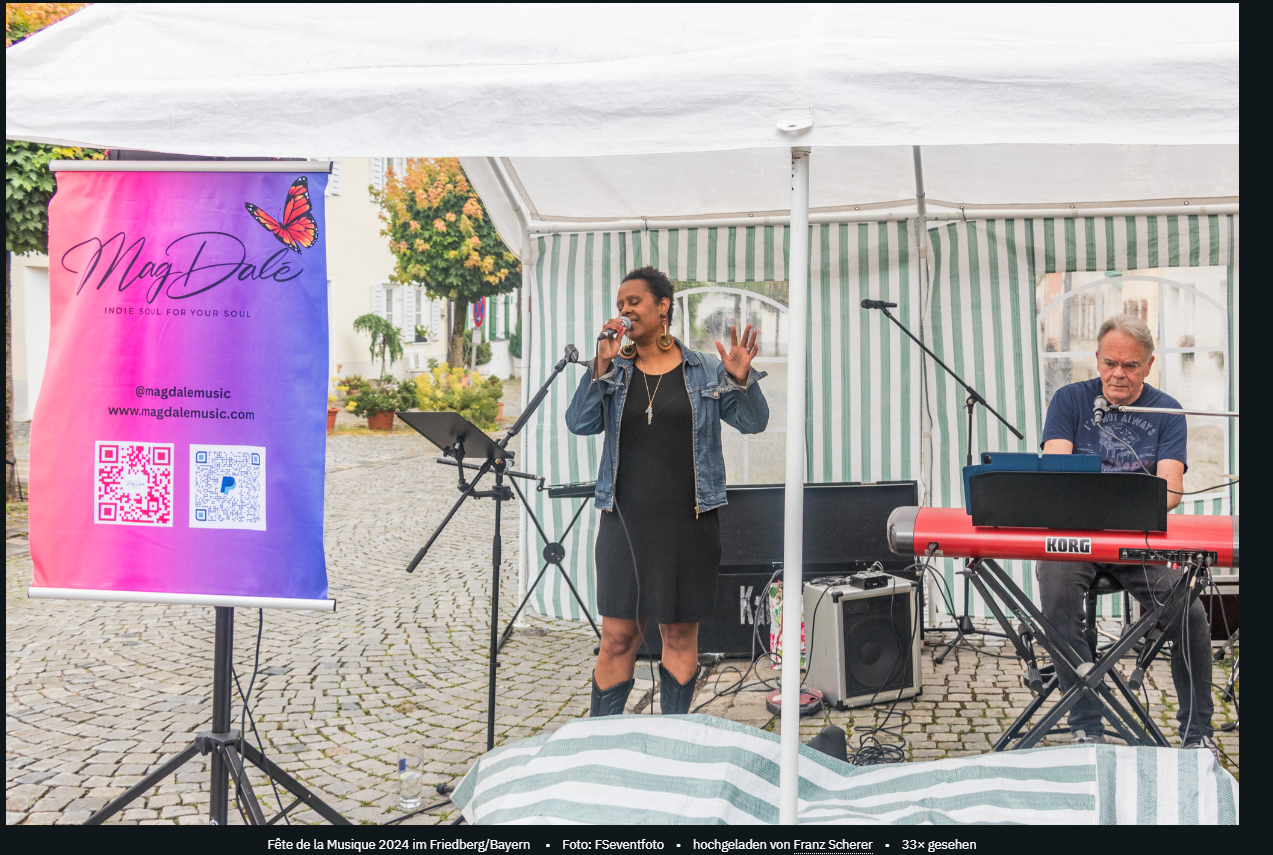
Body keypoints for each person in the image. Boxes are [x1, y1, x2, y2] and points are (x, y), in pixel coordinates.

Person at [566, 266, 769, 716]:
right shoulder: (615, 371)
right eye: (620, 304)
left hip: (688, 523)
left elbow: (754, 422)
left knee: (677, 636)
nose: (624, 310)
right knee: (617, 636)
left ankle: (672, 739)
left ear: (663, 307)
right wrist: (599, 366)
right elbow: (579, 423)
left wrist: (740, 380)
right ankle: (602, 741)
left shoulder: (706, 369)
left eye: (633, 301)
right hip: (623, 522)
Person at [1038, 313, 1214, 752]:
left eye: (1131, 365)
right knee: (1057, 602)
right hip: (1075, 537)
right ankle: (1085, 721)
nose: (1118, 373)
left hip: (1138, 540)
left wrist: (1120, 509)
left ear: (1149, 365)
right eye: (1110, 363)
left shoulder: (1166, 411)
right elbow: (1056, 472)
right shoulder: (1069, 400)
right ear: (1097, 358)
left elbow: (1171, 490)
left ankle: (1197, 733)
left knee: (1190, 614)